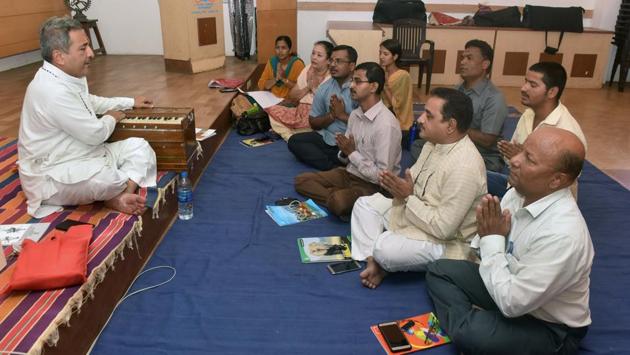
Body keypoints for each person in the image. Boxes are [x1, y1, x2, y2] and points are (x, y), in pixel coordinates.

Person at [426, 127, 593, 355]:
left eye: (529, 159)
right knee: (439, 270)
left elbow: (512, 303)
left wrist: (493, 238)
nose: (514, 160)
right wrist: (490, 239)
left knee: (473, 334)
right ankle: (472, 325)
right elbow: (479, 248)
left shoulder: (563, 234)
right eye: (522, 151)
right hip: (509, 287)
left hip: (548, 325)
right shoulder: (519, 192)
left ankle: (471, 328)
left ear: (556, 180)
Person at [17, 16, 157, 218]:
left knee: (140, 147)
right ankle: (116, 192)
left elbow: (89, 101)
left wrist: (129, 101)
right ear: (59, 57)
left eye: (88, 46)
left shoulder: (67, 75)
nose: (91, 54)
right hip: (54, 172)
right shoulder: (51, 90)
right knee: (108, 179)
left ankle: (120, 197)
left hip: (87, 154)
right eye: (83, 49)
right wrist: (112, 117)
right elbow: (95, 134)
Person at [351, 88, 487, 289]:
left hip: (446, 241)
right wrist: (400, 189)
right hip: (416, 214)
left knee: (385, 248)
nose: (420, 119)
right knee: (365, 205)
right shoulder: (433, 144)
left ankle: (379, 257)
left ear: (450, 126)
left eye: (429, 116)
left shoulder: (465, 166)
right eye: (424, 112)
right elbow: (411, 186)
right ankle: (374, 262)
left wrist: (407, 197)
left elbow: (444, 229)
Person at [294, 62, 401, 220]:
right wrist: (344, 151)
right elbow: (346, 158)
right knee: (301, 180)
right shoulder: (356, 114)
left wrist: (352, 152)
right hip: (350, 173)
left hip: (375, 186)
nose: (351, 85)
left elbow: (382, 177)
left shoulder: (386, 124)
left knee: (339, 201)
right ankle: (342, 200)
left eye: (358, 81)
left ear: (373, 87)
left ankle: (342, 201)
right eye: (352, 80)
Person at [490, 61, 587, 198]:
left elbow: (563, 180)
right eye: (525, 82)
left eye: (533, 85)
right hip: (518, 187)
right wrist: (519, 157)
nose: (523, 88)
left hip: (541, 200)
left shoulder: (567, 132)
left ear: (552, 92)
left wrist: (520, 157)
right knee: (472, 175)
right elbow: (511, 159)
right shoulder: (529, 114)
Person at [411, 39, 507, 173]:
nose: (462, 62)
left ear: (485, 64)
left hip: (482, 155)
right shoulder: (457, 90)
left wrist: (454, 127)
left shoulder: (494, 98)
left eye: (469, 58)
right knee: (419, 146)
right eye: (462, 58)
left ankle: (440, 174)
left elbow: (487, 140)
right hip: (453, 144)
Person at [287, 45, 358, 171]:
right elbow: (313, 123)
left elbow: (368, 124)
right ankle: (333, 167)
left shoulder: (359, 89)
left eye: (339, 61)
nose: (333, 65)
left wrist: (342, 115)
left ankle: (337, 161)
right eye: (331, 60)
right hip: (327, 138)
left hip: (352, 143)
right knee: (294, 141)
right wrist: (332, 116)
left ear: (352, 66)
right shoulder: (325, 87)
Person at [266, 40, 333, 141]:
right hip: (299, 109)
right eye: (313, 53)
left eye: (319, 55)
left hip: (316, 115)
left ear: (328, 60)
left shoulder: (332, 77)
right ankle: (292, 136)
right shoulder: (308, 69)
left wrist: (314, 89)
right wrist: (308, 87)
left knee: (316, 125)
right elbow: (292, 95)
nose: (314, 57)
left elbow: (326, 104)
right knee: (271, 110)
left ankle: (290, 135)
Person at [379, 39, 414, 132]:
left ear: (395, 57)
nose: (381, 57)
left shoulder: (402, 76)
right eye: (380, 53)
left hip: (398, 120)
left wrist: (385, 86)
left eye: (385, 54)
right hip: (381, 114)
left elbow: (398, 105)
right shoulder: (382, 72)